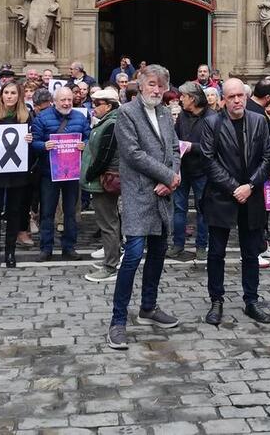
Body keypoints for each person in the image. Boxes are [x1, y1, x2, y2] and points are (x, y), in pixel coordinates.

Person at [107, 64, 182, 350]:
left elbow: (174, 148)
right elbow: (133, 154)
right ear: (140, 84)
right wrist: (167, 175)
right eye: (152, 84)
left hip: (163, 194)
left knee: (159, 252)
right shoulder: (127, 113)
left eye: (161, 85)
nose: (156, 89)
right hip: (139, 194)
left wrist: (172, 178)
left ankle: (148, 307)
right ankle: (117, 320)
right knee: (134, 255)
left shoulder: (164, 112)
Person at [197, 78, 270, 326]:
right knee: (216, 253)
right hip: (221, 196)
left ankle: (251, 299)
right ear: (223, 100)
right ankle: (216, 300)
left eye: (240, 95)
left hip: (251, 196)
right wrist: (234, 188)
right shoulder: (212, 123)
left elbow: (267, 156)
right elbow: (208, 161)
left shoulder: (259, 120)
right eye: (231, 97)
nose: (237, 100)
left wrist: (250, 185)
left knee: (251, 252)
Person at [32, 85, 91, 260]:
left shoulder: (80, 117)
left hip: (72, 172)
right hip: (49, 172)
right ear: (54, 101)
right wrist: (43, 145)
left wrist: (85, 145)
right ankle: (46, 248)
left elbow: (89, 137)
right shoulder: (42, 117)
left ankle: (69, 247)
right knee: (48, 212)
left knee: (70, 212)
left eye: (69, 100)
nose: (66, 103)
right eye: (63, 100)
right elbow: (33, 142)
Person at [0, 80, 33, 267]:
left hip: (17, 172)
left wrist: (30, 140)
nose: (9, 96)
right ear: (1, 94)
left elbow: (32, 145)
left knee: (14, 212)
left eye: (13, 93)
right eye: (6, 93)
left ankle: (10, 252)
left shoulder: (26, 115)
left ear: (19, 96)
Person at [170, 82, 216, 262]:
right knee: (178, 208)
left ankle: (201, 246)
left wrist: (192, 147)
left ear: (193, 99)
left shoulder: (212, 117)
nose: (180, 99)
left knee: (202, 209)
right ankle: (178, 244)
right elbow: (175, 138)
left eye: (183, 96)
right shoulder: (182, 116)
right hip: (183, 169)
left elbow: (213, 146)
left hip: (202, 171)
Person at [81, 87, 123, 282]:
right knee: (108, 222)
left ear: (109, 105)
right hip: (101, 180)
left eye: (97, 104)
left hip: (104, 181)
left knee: (108, 224)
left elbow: (104, 156)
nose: (94, 107)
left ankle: (110, 266)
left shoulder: (112, 124)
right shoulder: (107, 122)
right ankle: (110, 259)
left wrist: (91, 173)